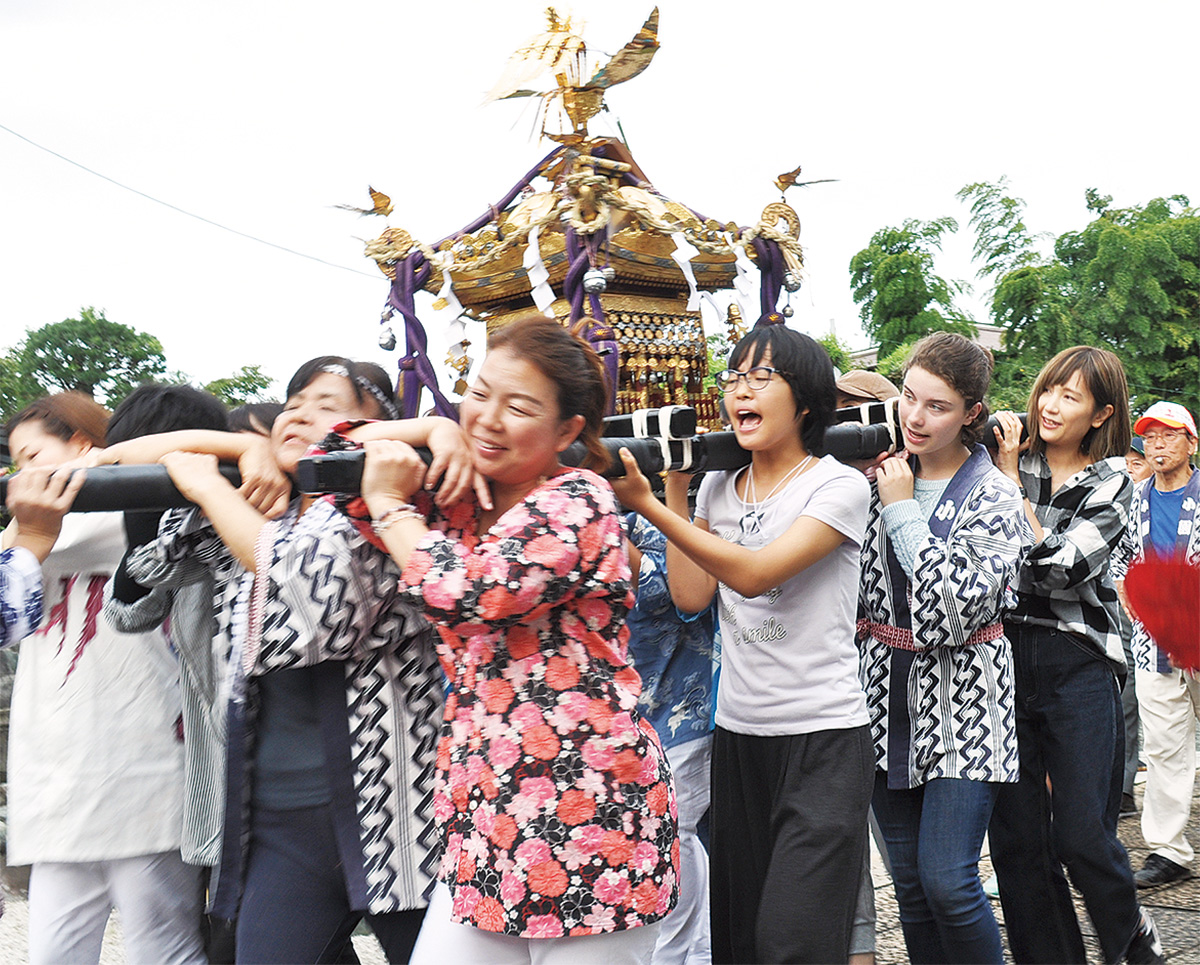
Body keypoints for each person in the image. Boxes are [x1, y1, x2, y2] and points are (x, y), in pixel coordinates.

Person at [101, 357, 474, 964]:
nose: (302, 413)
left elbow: (304, 606)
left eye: (329, 405)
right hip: (277, 817)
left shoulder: (388, 509)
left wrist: (212, 486)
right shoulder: (254, 501)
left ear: (381, 432)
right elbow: (134, 577)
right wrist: (241, 448)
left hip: (400, 812)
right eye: (294, 401)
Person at [357, 316, 679, 963]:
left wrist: (391, 506)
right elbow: (318, 456)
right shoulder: (454, 495)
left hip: (592, 809)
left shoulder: (579, 498)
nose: (489, 419)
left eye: (519, 406)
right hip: (488, 806)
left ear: (568, 431)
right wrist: (430, 427)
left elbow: (476, 593)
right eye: (479, 394)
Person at [614, 320, 873, 964]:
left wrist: (650, 507)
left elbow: (754, 578)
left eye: (762, 378)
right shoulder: (715, 488)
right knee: (741, 942)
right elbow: (692, 596)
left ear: (806, 401)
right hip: (739, 737)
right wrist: (677, 483)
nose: (740, 392)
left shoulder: (836, 485)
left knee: (795, 941)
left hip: (824, 739)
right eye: (734, 379)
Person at [2, 392, 204, 965]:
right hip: (56, 780)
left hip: (144, 769)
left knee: (161, 951)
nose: (22, 477)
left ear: (85, 447)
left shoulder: (140, 515)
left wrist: (38, 522)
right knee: (51, 954)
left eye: (31, 456)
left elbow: (63, 538)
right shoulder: (34, 537)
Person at [857, 333, 1030, 964]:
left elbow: (943, 615)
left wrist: (900, 509)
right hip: (880, 699)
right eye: (909, 397)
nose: (915, 417)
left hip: (966, 704)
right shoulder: (873, 474)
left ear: (972, 414)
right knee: (909, 889)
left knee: (949, 882)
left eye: (938, 406)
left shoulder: (993, 494)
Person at [988, 346, 1164, 964]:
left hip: (1078, 662)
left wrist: (1008, 491)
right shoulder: (1007, 457)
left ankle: (1132, 945)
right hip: (1002, 661)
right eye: (1048, 390)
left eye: (1071, 396)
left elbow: (1061, 569)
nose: (1051, 405)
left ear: (1101, 413)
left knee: (1084, 835)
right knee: (1016, 842)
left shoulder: (1114, 480)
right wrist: (1009, 477)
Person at [99, 383, 237, 960]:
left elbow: (186, 558)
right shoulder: (165, 525)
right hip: (219, 765)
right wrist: (144, 517)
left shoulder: (228, 511)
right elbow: (130, 612)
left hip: (265, 769)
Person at [624, 514, 715, 965]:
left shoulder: (642, 515)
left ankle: (685, 956)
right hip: (607, 713)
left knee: (676, 831)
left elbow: (681, 598)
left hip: (679, 700)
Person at [1115, 401, 1199, 888]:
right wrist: (1129, 590)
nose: (1158, 444)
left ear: (1191, 442)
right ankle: (1169, 852)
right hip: (1154, 644)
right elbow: (1120, 557)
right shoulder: (1133, 498)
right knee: (1166, 747)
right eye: (1150, 436)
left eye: (1169, 435)